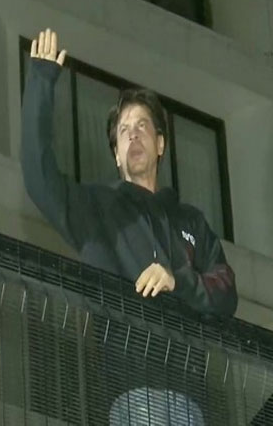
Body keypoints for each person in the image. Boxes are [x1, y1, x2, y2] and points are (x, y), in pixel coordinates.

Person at [22, 29, 238, 424]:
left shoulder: (191, 221)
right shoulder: (97, 209)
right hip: (132, 395)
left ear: (161, 144)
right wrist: (41, 81)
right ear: (116, 154)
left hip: (193, 399)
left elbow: (225, 291)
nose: (133, 135)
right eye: (123, 130)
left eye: (142, 127)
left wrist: (177, 280)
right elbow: (39, 178)